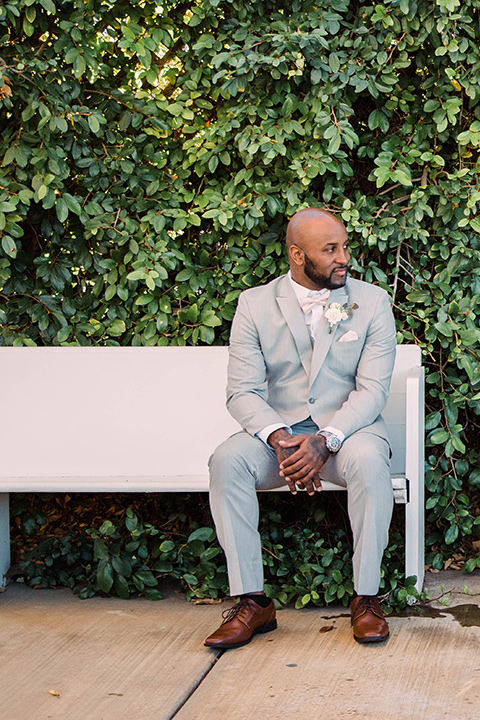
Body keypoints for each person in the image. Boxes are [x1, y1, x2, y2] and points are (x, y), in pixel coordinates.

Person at [204, 207, 397, 648]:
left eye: (344, 246)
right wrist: (278, 438)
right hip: (283, 438)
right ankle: (253, 602)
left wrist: (326, 440)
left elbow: (371, 392)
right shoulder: (254, 304)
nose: (343, 257)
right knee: (228, 461)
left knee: (370, 460)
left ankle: (366, 598)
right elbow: (242, 392)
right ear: (297, 254)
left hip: (348, 433)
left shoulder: (371, 302)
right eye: (330, 250)